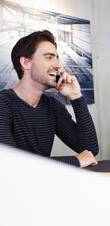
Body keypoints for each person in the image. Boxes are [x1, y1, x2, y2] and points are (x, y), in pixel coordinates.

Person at [0, 30, 99, 168]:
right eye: (49, 57)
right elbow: (11, 163)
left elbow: (89, 150)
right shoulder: (3, 105)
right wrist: (75, 161)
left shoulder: (53, 106)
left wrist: (76, 97)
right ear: (26, 63)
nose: (58, 65)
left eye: (57, 58)